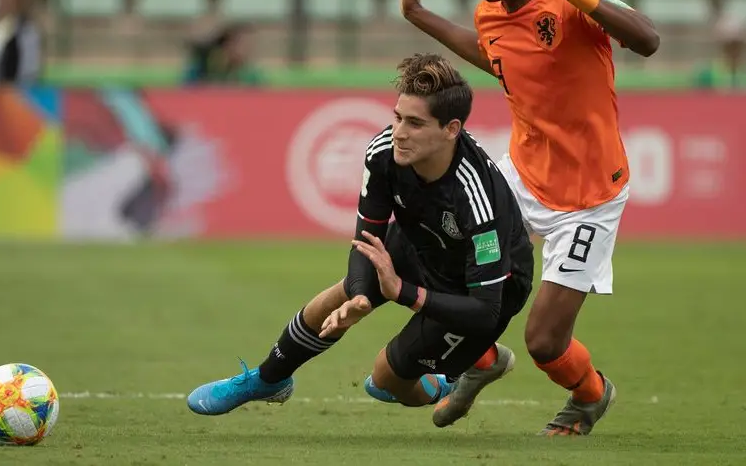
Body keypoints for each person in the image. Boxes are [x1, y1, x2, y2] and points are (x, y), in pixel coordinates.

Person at [392, 0, 661, 436]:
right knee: (434, 257)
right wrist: (418, 15)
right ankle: (482, 359)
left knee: (544, 342)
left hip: (589, 197)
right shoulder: (490, 12)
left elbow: (648, 39)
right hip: (519, 179)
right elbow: (492, 56)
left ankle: (590, 396)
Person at [186, 53, 535, 420]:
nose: (399, 132)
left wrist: (401, 291)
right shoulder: (384, 153)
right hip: (423, 243)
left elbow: (485, 308)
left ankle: (461, 370)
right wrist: (359, 296)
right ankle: (268, 379)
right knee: (341, 294)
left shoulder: (477, 198)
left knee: (385, 382)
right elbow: (366, 239)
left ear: (451, 129)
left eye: (415, 124)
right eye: (398, 117)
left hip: (482, 286)